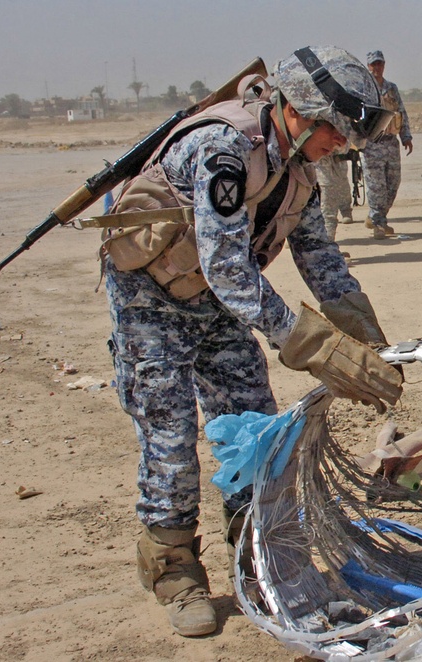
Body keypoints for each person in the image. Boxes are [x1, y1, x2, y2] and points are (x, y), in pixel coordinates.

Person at [99, 46, 404, 637]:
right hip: (150, 301)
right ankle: (173, 571)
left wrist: (366, 336)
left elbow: (319, 258)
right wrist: (315, 347)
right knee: (170, 437)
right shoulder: (224, 151)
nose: (339, 144)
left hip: (217, 302)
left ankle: (259, 558)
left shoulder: (300, 168)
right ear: (298, 111)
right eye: (333, 130)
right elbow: (229, 271)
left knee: (252, 426)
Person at [361, 50, 412, 239]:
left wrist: (406, 136)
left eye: (379, 64)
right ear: (368, 66)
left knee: (393, 184)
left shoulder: (391, 88)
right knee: (377, 187)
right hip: (372, 144)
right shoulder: (363, 89)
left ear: (384, 65)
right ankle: (378, 223)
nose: (377, 68)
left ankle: (377, 216)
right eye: (373, 64)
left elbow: (401, 112)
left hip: (391, 143)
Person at [314, 149, 354, 236]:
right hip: (315, 161)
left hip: (335, 161)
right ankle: (327, 233)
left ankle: (345, 211)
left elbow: (353, 144)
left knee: (340, 186)